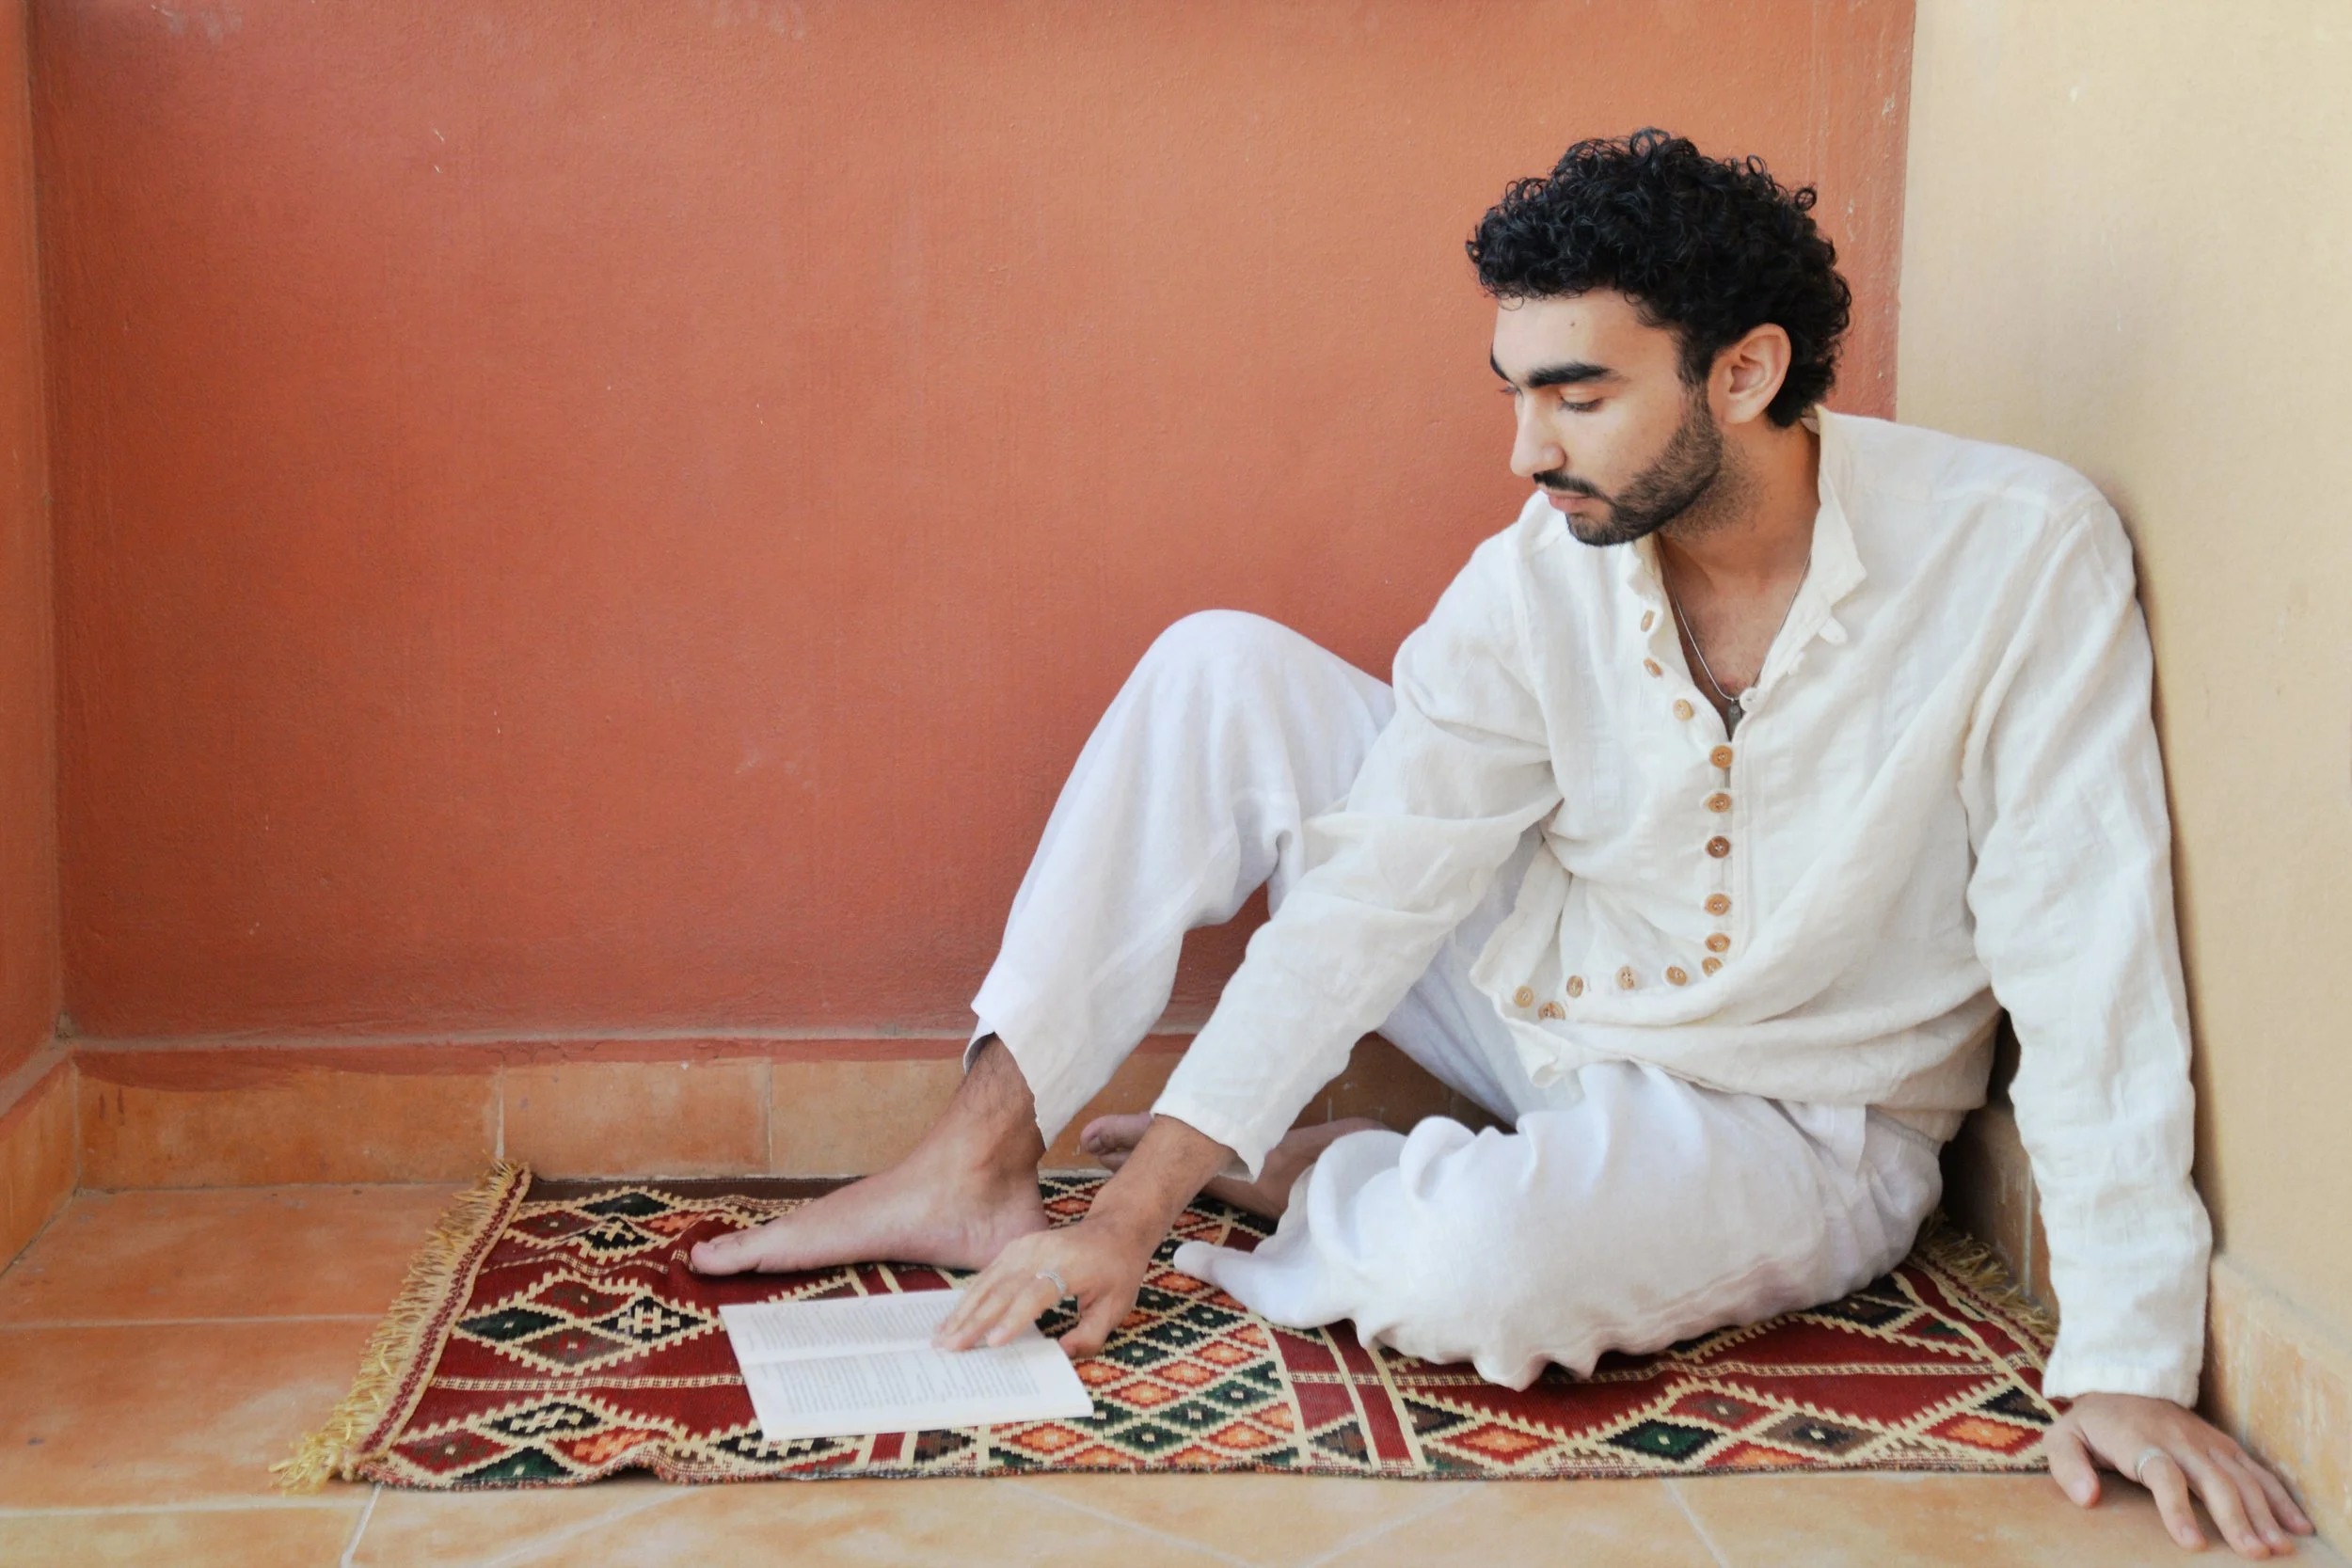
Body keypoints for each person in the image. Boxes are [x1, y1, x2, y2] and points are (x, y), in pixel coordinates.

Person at [691, 131, 2314, 1558]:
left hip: (1787, 1111)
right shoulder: (1537, 571)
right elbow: (1375, 882)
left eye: (1578, 393)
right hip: (1544, 992)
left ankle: (1325, 1178)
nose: (1526, 451)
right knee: (1218, 669)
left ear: (1743, 374)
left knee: (1481, 1275)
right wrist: (1116, 1221)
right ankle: (982, 1158)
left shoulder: (2021, 555)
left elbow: (2089, 948)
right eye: (1517, 391)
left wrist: (2127, 1366)